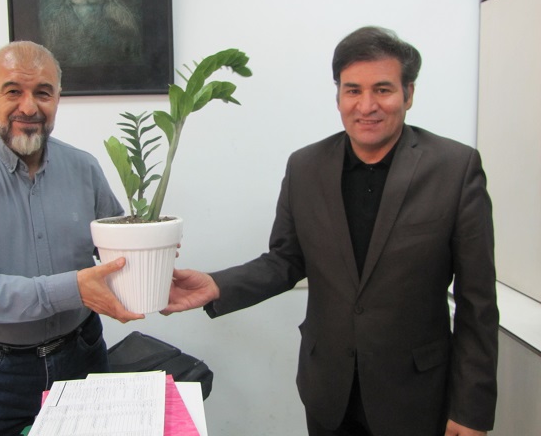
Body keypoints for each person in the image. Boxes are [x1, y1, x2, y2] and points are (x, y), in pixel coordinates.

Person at [163, 27, 499, 436]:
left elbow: (478, 302)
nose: (367, 106)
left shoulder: (455, 169)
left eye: (383, 90)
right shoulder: (305, 167)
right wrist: (216, 285)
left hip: (417, 395)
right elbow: (286, 260)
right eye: (353, 90)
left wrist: (470, 410)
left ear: (408, 94)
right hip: (329, 391)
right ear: (338, 95)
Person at [0, 41, 144, 435]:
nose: (29, 107)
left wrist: (153, 257)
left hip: (82, 354)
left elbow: (115, 248)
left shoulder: (84, 167)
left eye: (43, 92)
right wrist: (72, 288)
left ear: (57, 98)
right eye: (13, 91)